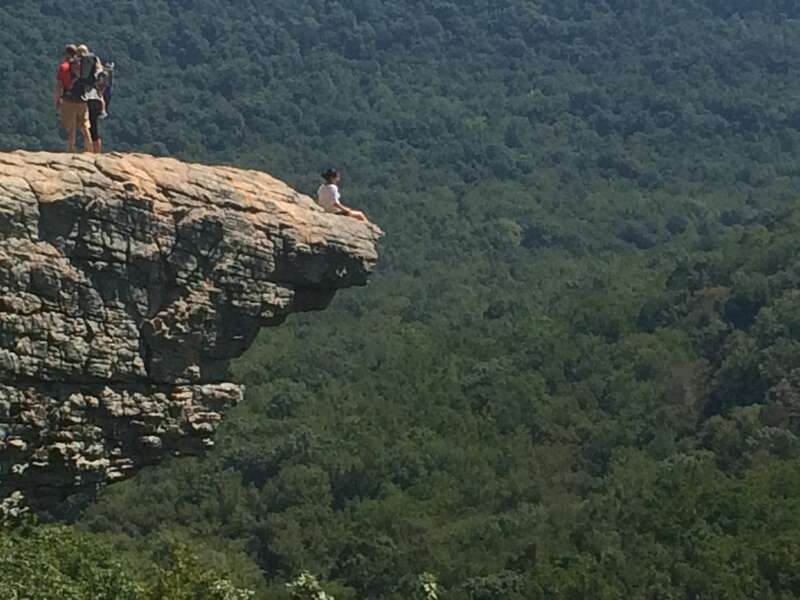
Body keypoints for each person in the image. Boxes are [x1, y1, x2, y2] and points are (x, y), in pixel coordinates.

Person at [54, 44, 92, 153]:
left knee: (71, 127)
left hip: (68, 99)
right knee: (84, 125)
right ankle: (89, 148)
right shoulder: (84, 66)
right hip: (82, 99)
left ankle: (71, 148)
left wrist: (57, 100)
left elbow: (59, 85)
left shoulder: (64, 67)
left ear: (66, 54)